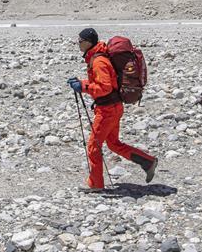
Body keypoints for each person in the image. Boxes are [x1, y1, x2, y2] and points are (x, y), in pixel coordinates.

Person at [67, 28, 157, 192]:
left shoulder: (98, 61)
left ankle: (96, 185)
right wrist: (82, 82)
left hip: (107, 110)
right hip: (114, 107)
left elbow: (105, 87)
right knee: (114, 144)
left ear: (88, 42)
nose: (78, 44)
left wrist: (83, 86)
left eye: (80, 41)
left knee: (94, 146)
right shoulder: (98, 58)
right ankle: (148, 162)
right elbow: (106, 83)